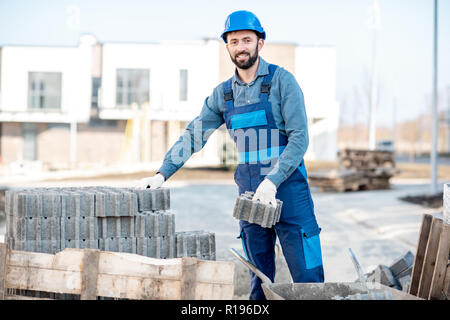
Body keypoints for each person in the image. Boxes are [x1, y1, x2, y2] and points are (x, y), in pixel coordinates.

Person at [136, 10, 324, 300]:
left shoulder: (282, 82)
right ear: (227, 46)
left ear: (260, 43)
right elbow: (194, 134)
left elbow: (299, 140)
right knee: (259, 280)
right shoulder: (223, 95)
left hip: (288, 190)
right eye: (234, 41)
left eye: (247, 40)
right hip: (251, 194)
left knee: (308, 279)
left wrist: (272, 181)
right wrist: (163, 172)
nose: (241, 47)